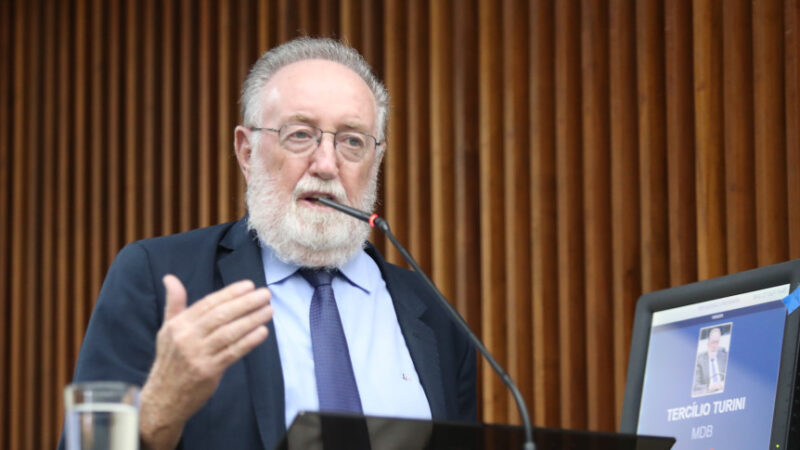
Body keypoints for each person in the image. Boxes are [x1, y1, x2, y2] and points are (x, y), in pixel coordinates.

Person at [65, 37, 476, 450]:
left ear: (377, 159)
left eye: (352, 140)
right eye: (300, 135)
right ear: (246, 152)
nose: (327, 165)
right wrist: (156, 412)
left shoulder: (437, 319)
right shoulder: (158, 277)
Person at [692, 327, 729, 396]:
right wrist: (709, 387)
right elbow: (695, 387)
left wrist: (725, 384)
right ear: (708, 343)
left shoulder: (725, 356)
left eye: (717, 342)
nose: (714, 346)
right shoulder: (700, 360)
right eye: (712, 342)